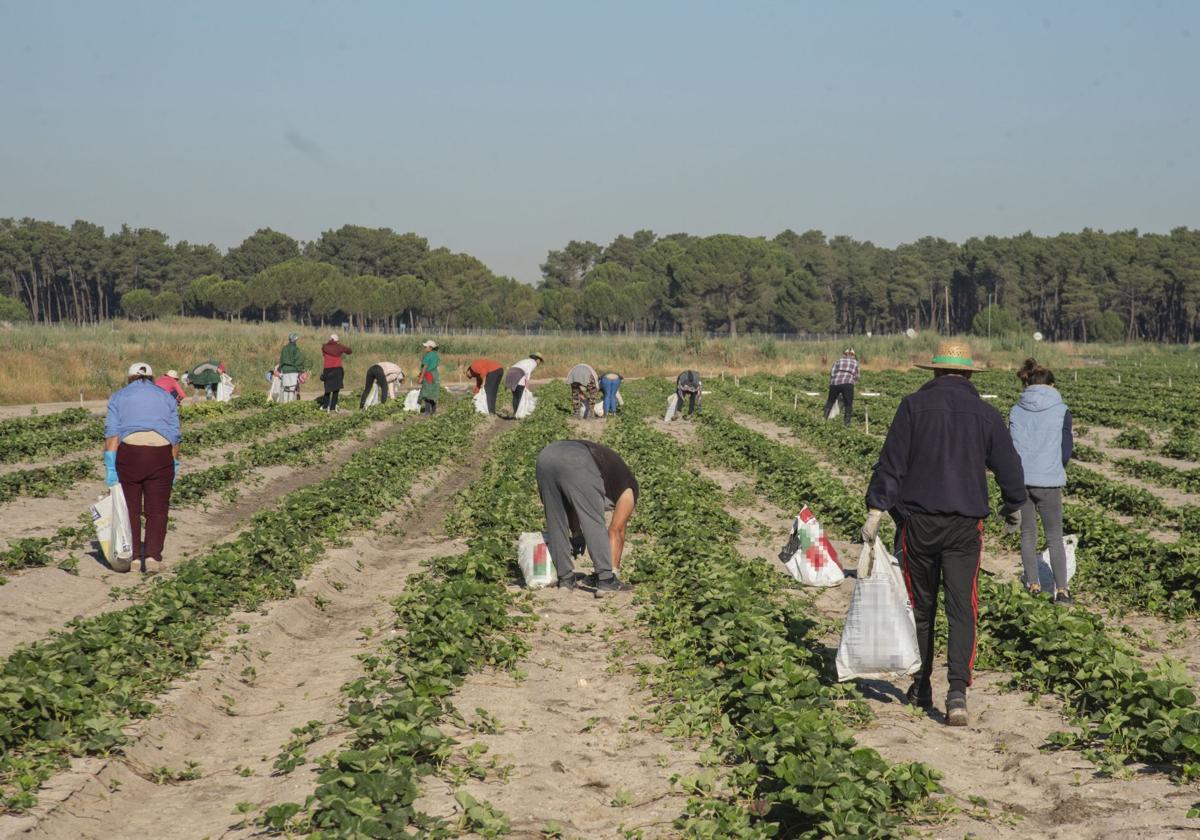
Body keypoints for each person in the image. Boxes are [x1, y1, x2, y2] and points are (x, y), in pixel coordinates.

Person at [863, 341, 1026, 727]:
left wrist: (876, 509)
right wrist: (1014, 503)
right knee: (962, 608)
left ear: (934, 373)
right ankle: (957, 693)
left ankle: (920, 685)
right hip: (964, 527)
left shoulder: (913, 407)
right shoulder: (984, 414)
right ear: (968, 374)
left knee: (920, 608)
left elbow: (892, 463)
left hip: (917, 523)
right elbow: (1009, 465)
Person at [103, 362, 181, 573]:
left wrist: (110, 467)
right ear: (152, 377)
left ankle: (135, 557)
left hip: (131, 454)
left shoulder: (119, 396)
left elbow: (112, 434)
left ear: (130, 378)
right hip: (160, 454)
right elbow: (175, 435)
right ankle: (153, 557)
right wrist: (173, 462)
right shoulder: (166, 397)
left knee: (130, 508)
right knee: (158, 510)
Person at [1009, 358, 1074, 605]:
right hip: (1049, 482)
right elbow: (1065, 449)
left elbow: (1010, 445)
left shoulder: (1016, 409)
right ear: (1052, 385)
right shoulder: (1062, 410)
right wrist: (1055, 467)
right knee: (1054, 536)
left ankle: (1034, 585)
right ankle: (1062, 592)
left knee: (1028, 533)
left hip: (1021, 480)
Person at [535, 440, 637, 593]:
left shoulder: (611, 474)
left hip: (545, 456)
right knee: (593, 520)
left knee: (555, 520)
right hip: (578, 460)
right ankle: (606, 580)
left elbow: (572, 504)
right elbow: (617, 530)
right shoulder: (629, 489)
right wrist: (612, 571)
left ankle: (566, 579)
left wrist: (576, 533)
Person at [825, 349, 860, 428]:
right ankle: (846, 424)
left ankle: (824, 419)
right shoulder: (855, 363)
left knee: (830, 401)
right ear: (853, 355)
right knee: (848, 404)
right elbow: (857, 376)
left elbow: (832, 373)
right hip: (848, 383)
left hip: (835, 382)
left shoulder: (838, 361)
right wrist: (853, 380)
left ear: (844, 355)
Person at [319, 333, 352, 412]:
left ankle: (325, 406)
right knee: (336, 390)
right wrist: (340, 346)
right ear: (336, 340)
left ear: (330, 339)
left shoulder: (324, 347)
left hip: (327, 370)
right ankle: (332, 408)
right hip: (337, 370)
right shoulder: (339, 347)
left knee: (327, 390)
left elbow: (324, 354)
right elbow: (349, 351)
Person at [278, 334, 307, 403]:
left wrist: (280, 368)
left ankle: (285, 403)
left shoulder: (284, 348)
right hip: (293, 371)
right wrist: (301, 370)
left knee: (285, 388)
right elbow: (299, 361)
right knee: (292, 388)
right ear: (295, 340)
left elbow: (281, 360)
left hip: (285, 370)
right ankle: (290, 404)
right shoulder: (296, 349)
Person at [416, 340, 441, 414]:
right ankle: (434, 410)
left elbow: (425, 367)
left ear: (430, 348)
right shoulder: (436, 355)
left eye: (426, 347)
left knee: (426, 393)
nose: (425, 348)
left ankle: (427, 411)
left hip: (428, 375)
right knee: (433, 393)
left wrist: (420, 377)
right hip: (435, 375)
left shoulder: (428, 355)